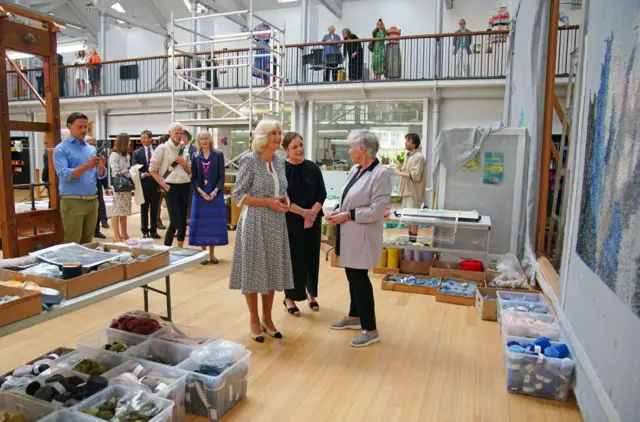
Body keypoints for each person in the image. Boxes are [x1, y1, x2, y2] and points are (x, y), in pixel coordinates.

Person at [229, 119, 293, 343]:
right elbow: (239, 196)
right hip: (255, 222)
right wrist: (267, 202)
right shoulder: (250, 160)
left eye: (280, 133)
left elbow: (281, 190)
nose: (278, 137)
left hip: (276, 222)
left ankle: (268, 317)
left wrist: (284, 200)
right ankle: (254, 319)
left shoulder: (279, 161)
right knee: (255, 272)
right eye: (273, 133)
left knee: (272, 270)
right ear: (263, 137)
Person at [325, 129, 391, 347]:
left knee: (360, 279)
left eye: (351, 146)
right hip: (348, 233)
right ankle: (354, 317)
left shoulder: (380, 174)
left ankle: (371, 330)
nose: (349, 150)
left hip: (362, 235)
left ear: (362, 149)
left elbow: (377, 211)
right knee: (352, 276)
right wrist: (336, 210)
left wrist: (348, 215)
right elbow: (348, 198)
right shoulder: (355, 169)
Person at [282, 132, 326, 316]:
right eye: (294, 147)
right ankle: (290, 297)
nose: (300, 149)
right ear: (286, 150)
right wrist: (303, 213)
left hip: (313, 219)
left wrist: (312, 213)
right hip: (292, 220)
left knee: (311, 257)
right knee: (293, 259)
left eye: (301, 145)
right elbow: (283, 199)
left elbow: (321, 193)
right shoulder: (282, 170)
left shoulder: (312, 167)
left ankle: (311, 293)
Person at [53, 112, 107, 244]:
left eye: (85, 127)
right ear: (70, 126)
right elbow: (64, 175)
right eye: (80, 127)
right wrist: (88, 165)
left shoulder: (91, 149)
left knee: (88, 242)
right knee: (73, 242)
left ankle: (86, 265)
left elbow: (96, 175)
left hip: (92, 201)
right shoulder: (61, 149)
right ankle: (72, 265)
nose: (83, 130)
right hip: (73, 201)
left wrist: (101, 168)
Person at [149, 123, 192, 247]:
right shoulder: (162, 148)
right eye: (176, 133)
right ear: (170, 133)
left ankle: (180, 248)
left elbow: (189, 172)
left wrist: (184, 164)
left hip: (185, 185)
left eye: (181, 133)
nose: (179, 136)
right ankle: (166, 247)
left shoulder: (185, 149)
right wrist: (164, 185)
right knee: (175, 221)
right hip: (170, 186)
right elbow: (152, 170)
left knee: (183, 220)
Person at [189, 131, 228, 264]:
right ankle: (203, 254)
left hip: (214, 194)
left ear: (210, 140)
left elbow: (222, 176)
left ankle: (212, 254)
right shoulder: (195, 156)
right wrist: (200, 191)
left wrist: (214, 192)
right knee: (202, 225)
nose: (204, 141)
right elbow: (193, 178)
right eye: (201, 139)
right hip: (200, 194)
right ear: (198, 141)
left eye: (206, 138)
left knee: (213, 226)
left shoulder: (218, 155)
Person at [395, 133, 426, 241]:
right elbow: (409, 172)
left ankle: (413, 242)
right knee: (408, 219)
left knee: (413, 219)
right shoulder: (410, 156)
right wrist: (401, 169)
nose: (405, 143)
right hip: (407, 191)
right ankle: (410, 242)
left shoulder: (419, 157)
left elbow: (416, 176)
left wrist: (400, 173)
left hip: (413, 193)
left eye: (408, 141)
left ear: (414, 143)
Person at [132, 130, 161, 239]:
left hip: (155, 182)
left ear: (150, 139)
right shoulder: (137, 152)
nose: (143, 140)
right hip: (143, 183)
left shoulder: (157, 151)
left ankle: (154, 230)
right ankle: (145, 231)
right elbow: (134, 167)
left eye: (145, 138)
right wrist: (142, 174)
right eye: (141, 138)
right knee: (144, 208)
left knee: (155, 208)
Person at [109, 133, 133, 242]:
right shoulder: (114, 155)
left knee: (124, 211)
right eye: (128, 141)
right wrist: (130, 170)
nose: (130, 143)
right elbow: (115, 172)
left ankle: (124, 233)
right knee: (117, 212)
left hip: (126, 187)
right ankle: (116, 235)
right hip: (118, 187)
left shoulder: (126, 155)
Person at [86, 136, 108, 239]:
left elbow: (102, 172)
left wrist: (106, 186)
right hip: (84, 187)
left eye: (93, 143)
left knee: (99, 207)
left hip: (97, 185)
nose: (91, 144)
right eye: (88, 142)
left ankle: (97, 230)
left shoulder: (98, 155)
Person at [155, 134, 169, 230]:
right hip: (160, 181)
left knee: (160, 204)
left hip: (167, 181)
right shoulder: (159, 151)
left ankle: (158, 221)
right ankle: (157, 221)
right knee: (158, 203)